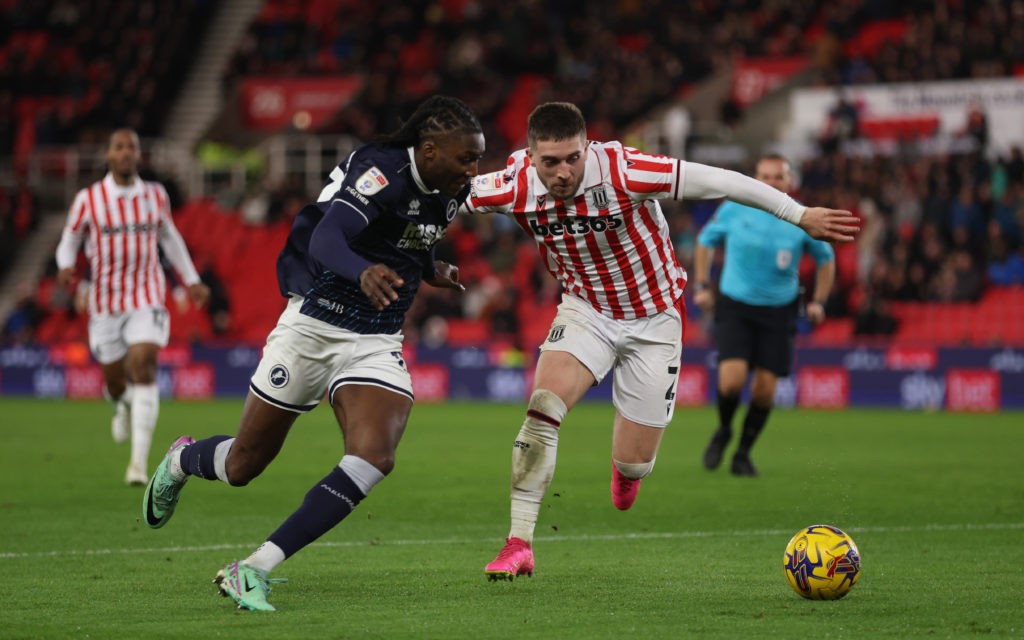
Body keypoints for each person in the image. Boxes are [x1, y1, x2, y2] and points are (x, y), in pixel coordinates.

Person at [462, 102, 858, 580]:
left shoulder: (626, 169)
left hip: (654, 322)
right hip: (586, 310)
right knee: (542, 409)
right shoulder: (511, 186)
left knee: (633, 465)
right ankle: (518, 544)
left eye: (573, 158)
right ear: (530, 156)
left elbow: (723, 181)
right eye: (551, 162)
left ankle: (627, 473)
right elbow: (433, 198)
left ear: (586, 147)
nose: (564, 172)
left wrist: (799, 214)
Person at [142, 96, 485, 612]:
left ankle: (253, 567)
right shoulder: (380, 170)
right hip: (314, 326)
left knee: (375, 457)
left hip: (376, 339)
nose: (473, 169)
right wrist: (362, 271)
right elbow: (328, 238)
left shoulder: (450, 188)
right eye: (466, 158)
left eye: (478, 158)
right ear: (429, 150)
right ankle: (182, 459)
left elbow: (414, 236)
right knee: (242, 466)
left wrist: (432, 268)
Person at [55, 128, 210, 486]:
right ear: (108, 155)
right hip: (106, 302)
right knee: (114, 381)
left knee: (143, 363)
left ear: (139, 156)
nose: (126, 153)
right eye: (119, 148)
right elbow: (69, 239)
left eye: (132, 148)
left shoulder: (155, 195)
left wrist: (191, 279)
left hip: (146, 295)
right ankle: (120, 405)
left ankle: (138, 464)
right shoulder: (88, 199)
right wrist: (65, 265)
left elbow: (169, 237)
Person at [693, 154, 837, 478]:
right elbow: (705, 242)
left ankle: (743, 452)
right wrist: (702, 284)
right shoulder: (734, 207)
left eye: (778, 177)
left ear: (790, 181)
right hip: (736, 305)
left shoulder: (801, 216)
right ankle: (724, 429)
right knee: (731, 381)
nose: (771, 183)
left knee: (764, 391)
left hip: (779, 311)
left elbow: (826, 258)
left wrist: (819, 302)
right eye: (765, 177)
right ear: (755, 179)